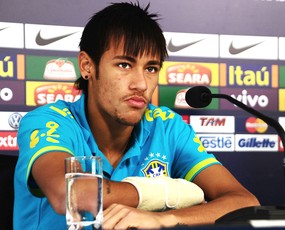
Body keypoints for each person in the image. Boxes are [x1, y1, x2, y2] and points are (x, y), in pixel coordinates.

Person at [14, 2, 260, 230]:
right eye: (124, 65)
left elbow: (245, 201)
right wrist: (170, 192)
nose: (141, 84)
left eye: (151, 68)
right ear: (87, 66)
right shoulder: (50, 120)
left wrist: (165, 217)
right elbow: (71, 194)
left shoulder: (167, 126)